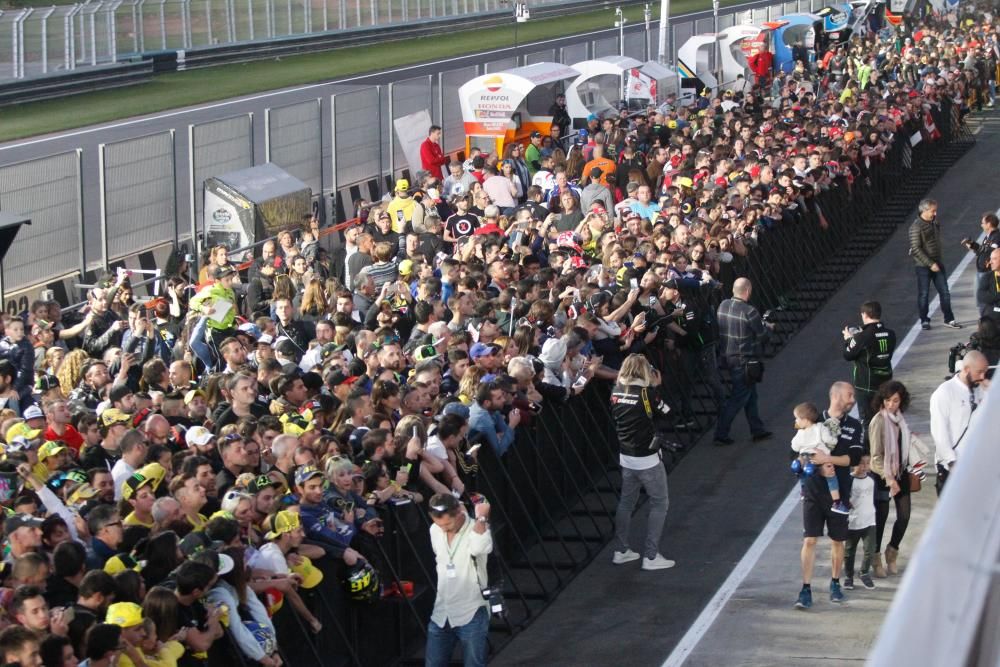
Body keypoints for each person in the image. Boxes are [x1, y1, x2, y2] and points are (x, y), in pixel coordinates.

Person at [794, 381, 862, 610]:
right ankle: (805, 588)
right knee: (810, 539)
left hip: (839, 491)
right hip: (813, 489)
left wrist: (827, 461)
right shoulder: (814, 419)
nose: (853, 399)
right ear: (836, 396)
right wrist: (814, 463)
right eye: (849, 395)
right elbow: (797, 452)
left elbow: (852, 459)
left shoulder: (855, 425)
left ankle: (835, 583)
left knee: (837, 540)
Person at [608, 354, 674, 571]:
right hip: (647, 458)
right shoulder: (648, 394)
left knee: (626, 503)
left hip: (626, 456)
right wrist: (657, 387)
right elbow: (667, 413)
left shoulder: (616, 391)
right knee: (660, 503)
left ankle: (622, 550)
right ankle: (651, 556)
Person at [425, 493, 492, 667]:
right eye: (439, 524)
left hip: (471, 611)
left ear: (459, 513)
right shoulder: (435, 530)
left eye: (447, 523)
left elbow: (480, 547)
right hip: (442, 612)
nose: (443, 528)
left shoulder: (477, 530)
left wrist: (482, 517)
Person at [868, 380, 927, 578]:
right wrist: (888, 478)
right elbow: (875, 457)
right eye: (887, 400)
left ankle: (892, 552)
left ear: (901, 402)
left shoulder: (900, 420)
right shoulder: (878, 422)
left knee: (904, 516)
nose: (891, 405)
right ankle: (875, 559)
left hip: (900, 472)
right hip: (881, 476)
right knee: (881, 518)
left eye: (895, 401)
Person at [714, 277, 773, 446]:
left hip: (727, 357)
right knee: (738, 398)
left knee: (751, 395)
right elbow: (762, 337)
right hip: (745, 360)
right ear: (747, 291)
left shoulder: (723, 305)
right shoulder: (750, 311)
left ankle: (757, 430)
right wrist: (769, 328)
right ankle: (721, 433)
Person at [930, 350, 988, 496]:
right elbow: (940, 433)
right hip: (953, 470)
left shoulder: (980, 390)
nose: (982, 377)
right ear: (967, 369)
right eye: (979, 372)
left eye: (985, 373)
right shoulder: (944, 392)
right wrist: (952, 463)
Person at [908, 198, 960, 330]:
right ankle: (924, 320)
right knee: (924, 294)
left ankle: (949, 318)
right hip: (923, 266)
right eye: (933, 211)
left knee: (945, 292)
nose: (935, 213)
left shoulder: (934, 223)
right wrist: (930, 263)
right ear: (924, 210)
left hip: (938, 262)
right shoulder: (916, 227)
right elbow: (916, 248)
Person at [842, 300, 896, 426]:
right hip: (885, 382)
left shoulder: (862, 336)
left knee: (868, 423)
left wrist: (849, 340)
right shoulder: (890, 333)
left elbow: (848, 355)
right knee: (887, 418)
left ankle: (871, 445)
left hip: (866, 385)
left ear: (865, 315)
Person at [790, 402, 848, 515]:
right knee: (831, 477)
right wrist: (834, 438)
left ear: (805, 420)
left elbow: (794, 446)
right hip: (821, 457)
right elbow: (829, 440)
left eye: (797, 419)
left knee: (798, 467)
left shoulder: (800, 432)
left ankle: (803, 489)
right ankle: (837, 502)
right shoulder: (820, 427)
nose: (795, 421)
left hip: (806, 458)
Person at [843, 455, 877, 591]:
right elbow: (843, 496)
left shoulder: (871, 479)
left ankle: (864, 572)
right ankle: (848, 576)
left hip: (870, 520)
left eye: (867, 464)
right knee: (850, 550)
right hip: (854, 521)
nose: (864, 467)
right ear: (853, 465)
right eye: (861, 464)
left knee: (870, 549)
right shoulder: (849, 480)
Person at [962, 212, 1000, 312]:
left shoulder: (997, 237)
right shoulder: (987, 237)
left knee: (986, 298)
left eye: (982, 223)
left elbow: (990, 251)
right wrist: (972, 246)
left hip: (989, 272)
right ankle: (984, 317)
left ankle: (987, 318)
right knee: (980, 298)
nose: (981, 225)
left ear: (989, 224)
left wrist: (976, 246)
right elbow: (982, 252)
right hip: (982, 271)